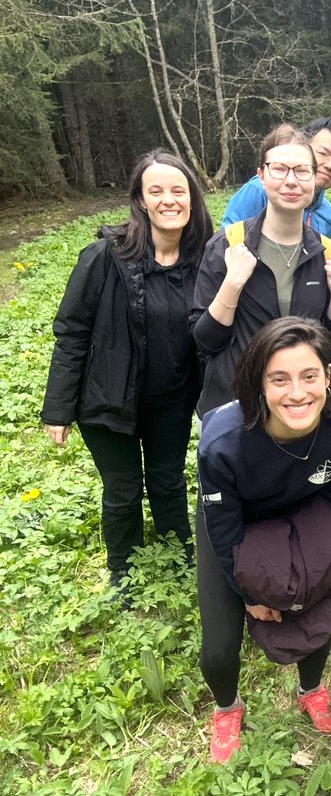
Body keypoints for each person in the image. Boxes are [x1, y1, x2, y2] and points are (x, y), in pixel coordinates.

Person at [197, 317, 331, 762]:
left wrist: (313, 564)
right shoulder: (222, 444)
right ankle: (226, 706)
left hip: (309, 513)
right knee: (218, 648)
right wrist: (251, 592)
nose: (297, 393)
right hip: (235, 523)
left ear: (328, 376)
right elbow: (223, 527)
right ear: (259, 384)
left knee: (318, 607)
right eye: (279, 379)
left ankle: (311, 686)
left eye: (309, 376)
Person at [41, 150, 213, 589]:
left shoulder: (204, 261)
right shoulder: (104, 256)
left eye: (178, 190)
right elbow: (72, 332)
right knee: (122, 490)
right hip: (107, 399)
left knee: (167, 481)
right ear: (140, 199)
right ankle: (124, 573)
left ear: (192, 198)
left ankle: (179, 558)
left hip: (171, 400)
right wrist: (57, 409)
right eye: (156, 190)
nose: (168, 199)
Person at [192, 124, 331, 416]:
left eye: (302, 170)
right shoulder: (227, 246)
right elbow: (205, 342)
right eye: (279, 169)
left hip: (298, 408)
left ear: (314, 179)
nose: (291, 181)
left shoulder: (324, 251)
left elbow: (329, 340)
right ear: (261, 176)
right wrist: (232, 284)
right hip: (235, 408)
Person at [221, 117, 331, 239]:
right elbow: (227, 242)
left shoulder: (328, 216)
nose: (329, 165)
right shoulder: (260, 190)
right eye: (322, 153)